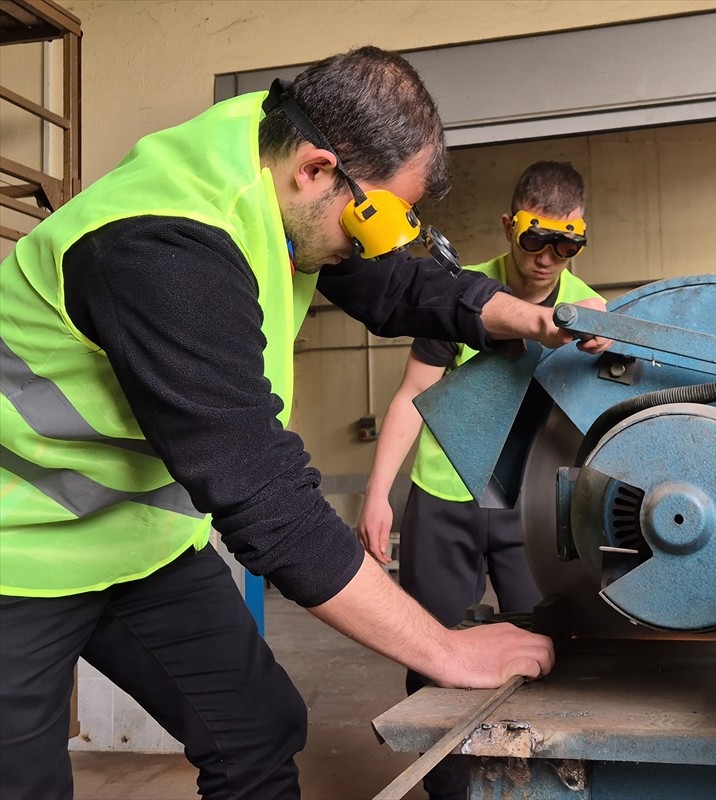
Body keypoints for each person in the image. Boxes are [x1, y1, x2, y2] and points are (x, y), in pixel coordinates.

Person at [0, 47, 608, 800]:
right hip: (17, 551)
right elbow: (266, 500)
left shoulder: (279, 150)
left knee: (259, 731)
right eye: (373, 221)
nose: (371, 244)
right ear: (319, 170)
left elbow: (393, 280)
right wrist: (445, 649)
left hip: (134, 540)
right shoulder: (163, 249)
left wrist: (532, 318)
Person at [357, 161, 605, 800]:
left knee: (548, 651)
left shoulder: (591, 314)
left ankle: (544, 787)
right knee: (432, 652)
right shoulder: (461, 296)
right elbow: (413, 397)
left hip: (535, 511)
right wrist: (379, 493)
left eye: (565, 246)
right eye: (535, 240)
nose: (547, 259)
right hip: (445, 499)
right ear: (509, 226)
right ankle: (449, 791)